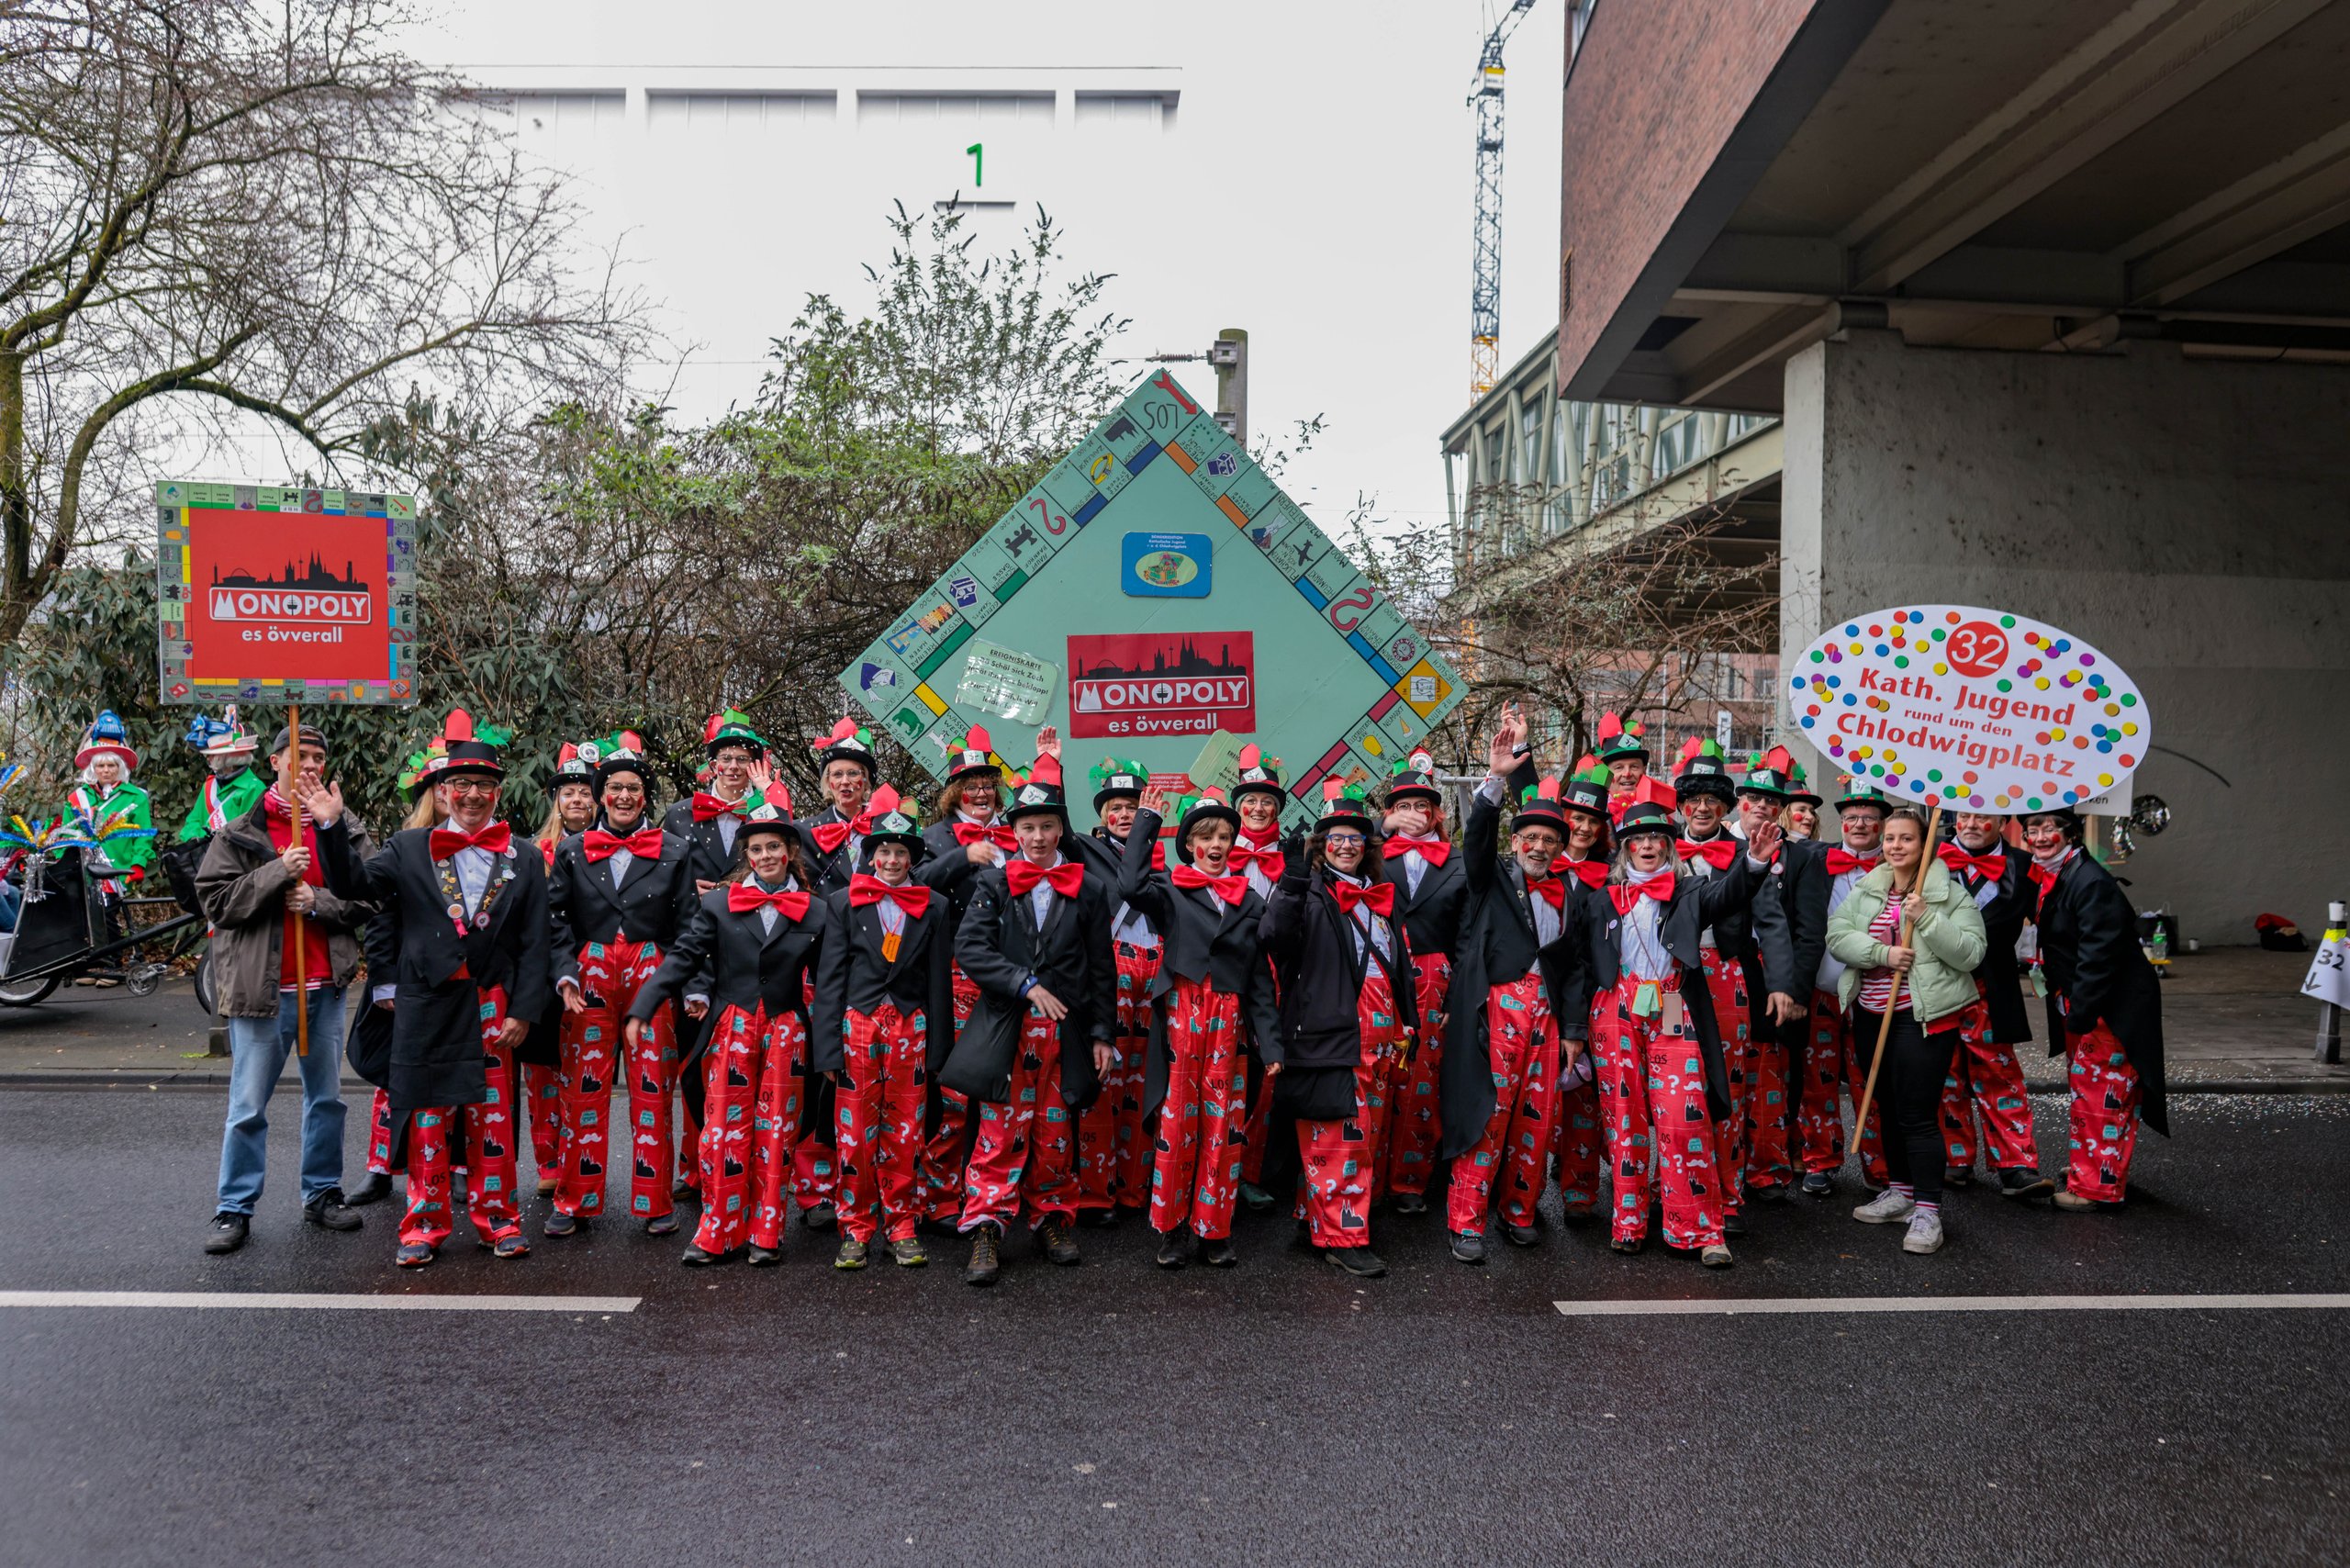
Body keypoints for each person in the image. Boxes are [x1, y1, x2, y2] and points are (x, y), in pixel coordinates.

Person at [318, 711, 552, 1268]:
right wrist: (330, 828)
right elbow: (356, 891)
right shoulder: (405, 847)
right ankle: (423, 1223)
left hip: (493, 1001)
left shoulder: (526, 855)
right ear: (443, 791)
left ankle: (499, 1220)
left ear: (499, 793)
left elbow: (536, 942)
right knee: (428, 1119)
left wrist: (524, 1010)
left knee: (492, 1118)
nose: (473, 796)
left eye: (485, 787)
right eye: (462, 786)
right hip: (426, 1003)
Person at [1575, 792, 1779, 1266]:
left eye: (1656, 838)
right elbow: (1580, 961)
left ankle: (1699, 1229)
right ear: (1624, 849)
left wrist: (1754, 862)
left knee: (1683, 1114)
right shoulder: (1601, 900)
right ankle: (1628, 1223)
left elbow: (1727, 895)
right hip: (1615, 1006)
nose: (1647, 845)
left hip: (1671, 1002)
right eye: (1637, 839)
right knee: (1624, 1114)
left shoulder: (1689, 892)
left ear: (1669, 847)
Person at [196, 723, 377, 1255]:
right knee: (248, 1105)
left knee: (327, 1100)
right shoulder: (241, 832)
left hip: (325, 988)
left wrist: (319, 901)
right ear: (275, 762)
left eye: (319, 757)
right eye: (300, 755)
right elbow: (216, 902)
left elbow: (372, 896)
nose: (311, 765)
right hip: (263, 993)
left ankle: (322, 1193)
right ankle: (234, 1208)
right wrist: (277, 871)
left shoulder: (342, 825)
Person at [630, 783, 830, 1265]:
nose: (764, 856)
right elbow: (682, 958)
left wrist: (831, 1042)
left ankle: (766, 1231)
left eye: (773, 847)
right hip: (732, 1025)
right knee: (723, 1129)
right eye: (755, 848)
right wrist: (643, 1004)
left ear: (790, 851)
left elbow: (830, 981)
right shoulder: (719, 905)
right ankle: (716, 1231)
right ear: (747, 853)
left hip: (788, 1028)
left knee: (777, 1131)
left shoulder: (818, 911)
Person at [940, 751, 1115, 1285]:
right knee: (999, 1129)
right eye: (1028, 827)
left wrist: (1103, 1033)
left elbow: (1101, 967)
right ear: (1012, 831)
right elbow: (970, 948)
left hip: (1065, 1031)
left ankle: (1053, 1218)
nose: (1038, 837)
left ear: (1061, 829)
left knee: (1055, 1129)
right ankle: (987, 1227)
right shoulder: (993, 884)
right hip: (1006, 1030)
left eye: (1047, 826)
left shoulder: (1088, 888)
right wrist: (1025, 982)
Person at [1438, 707, 1592, 1264]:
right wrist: (1498, 778)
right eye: (1530, 837)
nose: (1539, 847)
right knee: (1490, 1114)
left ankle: (1520, 1213)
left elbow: (1573, 964)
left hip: (1548, 1020)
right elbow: (1477, 839)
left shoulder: (1570, 891)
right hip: (1497, 1009)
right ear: (1517, 839)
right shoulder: (1489, 878)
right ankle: (1465, 1221)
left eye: (1550, 840)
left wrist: (1574, 1029)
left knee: (1538, 1115)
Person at [543, 734, 701, 1239]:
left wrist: (692, 987)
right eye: (615, 788)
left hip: (651, 973)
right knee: (581, 1092)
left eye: (634, 787)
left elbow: (690, 926)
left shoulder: (676, 851)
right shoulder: (571, 850)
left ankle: (655, 1202)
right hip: (588, 976)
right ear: (600, 793)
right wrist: (564, 971)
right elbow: (555, 918)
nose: (625, 797)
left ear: (646, 795)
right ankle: (574, 1200)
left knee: (653, 1089)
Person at [1260, 781, 1419, 1278]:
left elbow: (1395, 965)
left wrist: (1408, 1020)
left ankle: (1318, 1221)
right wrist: (1289, 879)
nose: (1346, 845)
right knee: (1339, 1143)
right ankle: (1344, 1237)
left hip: (1380, 1042)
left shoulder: (1378, 897)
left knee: (1360, 1142)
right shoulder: (1306, 891)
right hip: (1331, 1040)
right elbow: (1273, 936)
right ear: (1321, 846)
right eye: (1336, 838)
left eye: (1355, 838)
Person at [1119, 783, 1281, 1269]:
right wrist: (1146, 820)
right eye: (1206, 836)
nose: (1216, 845)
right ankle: (1171, 1230)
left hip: (1228, 1017)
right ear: (1190, 844)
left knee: (1222, 1126)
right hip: (1182, 1013)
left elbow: (1258, 982)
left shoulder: (1250, 901)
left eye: (1224, 837)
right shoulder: (1169, 889)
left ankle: (1213, 1230)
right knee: (1177, 1121)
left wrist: (1270, 1044)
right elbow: (1129, 885)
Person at [1828, 805, 1987, 1255]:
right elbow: (1837, 935)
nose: (1896, 846)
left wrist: (1929, 919)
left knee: (1917, 1114)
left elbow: (1972, 954)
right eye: (1891, 838)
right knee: (1888, 1107)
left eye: (1907, 839)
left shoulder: (1948, 894)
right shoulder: (1867, 889)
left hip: (1923, 1020)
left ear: (1926, 844)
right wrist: (1882, 954)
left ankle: (1928, 1211)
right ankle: (1899, 1192)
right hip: (1870, 1015)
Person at [810, 785, 954, 1269]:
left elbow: (939, 982)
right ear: (870, 856)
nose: (892, 860)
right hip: (857, 1027)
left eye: (901, 852)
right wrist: (826, 1051)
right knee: (854, 1136)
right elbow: (829, 980)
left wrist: (939, 1053)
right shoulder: (842, 902)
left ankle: (903, 1223)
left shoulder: (934, 904)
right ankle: (855, 1227)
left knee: (906, 1133)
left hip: (912, 1028)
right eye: (884, 851)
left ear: (913, 857)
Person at [1669, 736, 1794, 1238]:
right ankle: (1676, 1190)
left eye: (1712, 802)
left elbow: (1774, 922)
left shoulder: (1750, 854)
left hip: (1727, 977)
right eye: (1694, 801)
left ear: (1726, 809)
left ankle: (1727, 1193)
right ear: (1682, 808)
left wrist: (1782, 984)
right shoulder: (1655, 846)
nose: (1702, 809)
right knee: (1676, 1087)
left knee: (1731, 1090)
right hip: (1673, 980)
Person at [2020, 806, 2167, 1211]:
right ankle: (2097, 1172)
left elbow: (2098, 957)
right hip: (2085, 1003)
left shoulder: (2091, 881)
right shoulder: (2058, 872)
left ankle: (2095, 1189)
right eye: (2034, 828)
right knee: (2092, 1094)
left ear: (2071, 834)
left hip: (2108, 1008)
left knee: (2103, 1095)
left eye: (2052, 827)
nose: (2042, 835)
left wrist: (2082, 1012)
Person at [913, 724, 1013, 1230]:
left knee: (1006, 1089)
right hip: (956, 974)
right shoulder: (932, 838)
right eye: (970, 784)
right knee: (954, 1089)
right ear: (954, 790)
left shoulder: (1019, 832)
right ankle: (939, 1195)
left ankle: (996, 1197)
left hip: (1012, 975)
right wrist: (962, 857)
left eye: (987, 784)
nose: (980, 792)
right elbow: (913, 888)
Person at [348, 737, 450, 1209]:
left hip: (459, 981)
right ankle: (380, 1167)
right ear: (431, 791)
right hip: (406, 981)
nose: (453, 793)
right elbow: (381, 917)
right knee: (395, 1079)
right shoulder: (403, 846)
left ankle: (458, 1165)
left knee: (460, 1078)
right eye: (443, 785)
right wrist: (384, 980)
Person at [1061, 750, 1158, 1226]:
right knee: (1106, 1076)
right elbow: (1053, 822)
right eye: (1116, 807)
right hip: (1111, 966)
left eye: (1134, 806)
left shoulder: (1163, 855)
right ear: (1101, 815)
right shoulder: (1083, 847)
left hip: (1155, 970)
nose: (1125, 815)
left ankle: (1135, 1188)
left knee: (1143, 1079)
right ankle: (1097, 1192)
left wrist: (1149, 826)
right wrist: (1049, 767)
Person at [1936, 813, 2054, 1199]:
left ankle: (2017, 1164)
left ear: (2002, 821)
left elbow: (2050, 916)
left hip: (1992, 985)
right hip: (1939, 983)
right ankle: (1955, 1160)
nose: (1971, 824)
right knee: (1943, 1074)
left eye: (1982, 816)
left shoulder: (2024, 864)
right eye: (1964, 816)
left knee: (1999, 1075)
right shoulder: (1929, 857)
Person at [1734, 748, 1829, 1204]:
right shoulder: (1715, 847)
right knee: (1725, 1074)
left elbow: (1811, 933)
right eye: (1753, 797)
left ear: (1783, 809)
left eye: (1772, 801)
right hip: (1726, 978)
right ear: (1740, 802)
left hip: (1780, 979)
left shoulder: (1804, 858)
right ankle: (1723, 1164)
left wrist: (1794, 989)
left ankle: (1769, 1166)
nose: (1762, 807)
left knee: (1776, 1076)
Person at [1376, 750, 1466, 1215]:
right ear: (1390, 812)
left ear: (1435, 813)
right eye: (1403, 806)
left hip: (1434, 976)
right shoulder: (1367, 853)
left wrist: (1457, 992)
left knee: (1421, 1080)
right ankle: (1367, 1175)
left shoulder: (1458, 861)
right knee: (1377, 1070)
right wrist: (1380, 832)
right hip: (1377, 972)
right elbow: (1322, 858)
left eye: (1421, 806)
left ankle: (1409, 1181)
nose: (1413, 815)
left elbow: (1468, 934)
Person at [1796, 778, 1894, 1197]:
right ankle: (1820, 1160)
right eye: (1851, 817)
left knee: (1870, 1080)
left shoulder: (1903, 866)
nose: (1858, 824)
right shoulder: (1815, 860)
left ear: (1882, 825)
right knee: (1816, 1081)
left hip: (1877, 993)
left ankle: (1881, 1167)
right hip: (1823, 989)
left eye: (1868, 818)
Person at [522, 742, 599, 1195]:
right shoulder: (535, 852)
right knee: (542, 1072)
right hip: (545, 974)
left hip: (594, 972)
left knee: (581, 1076)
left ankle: (580, 1159)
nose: (576, 800)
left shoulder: (610, 848)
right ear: (557, 801)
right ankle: (548, 1161)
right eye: (568, 792)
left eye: (584, 791)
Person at [1544, 759, 1616, 1218]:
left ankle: (1579, 1191)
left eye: (1593, 820)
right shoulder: (1530, 866)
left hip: (1586, 996)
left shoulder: (1612, 877)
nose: (1584, 827)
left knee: (1581, 1094)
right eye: (1577, 818)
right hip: (1532, 996)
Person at [1226, 745, 1288, 1211]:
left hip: (1279, 977)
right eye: (1250, 800)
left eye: (1268, 801)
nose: (1259, 808)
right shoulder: (1216, 851)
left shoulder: (1294, 857)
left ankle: (1256, 1170)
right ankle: (1223, 1167)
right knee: (1230, 1071)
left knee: (1271, 1072)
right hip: (1229, 976)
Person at [68, 711, 153, 950]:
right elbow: (66, 834)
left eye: (111, 765)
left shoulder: (136, 797)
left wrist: (138, 864)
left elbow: (143, 835)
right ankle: (90, 965)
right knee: (83, 919)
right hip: (82, 871)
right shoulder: (76, 798)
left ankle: (112, 965)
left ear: (120, 767)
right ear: (92, 769)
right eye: (101, 765)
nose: (106, 770)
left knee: (107, 917)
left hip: (115, 869)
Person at [797, 719, 879, 894]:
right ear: (828, 782)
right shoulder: (804, 832)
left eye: (853, 773)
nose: (845, 781)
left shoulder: (882, 828)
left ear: (866, 781)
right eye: (837, 774)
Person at [174, 714, 265, 844]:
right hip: (205, 858)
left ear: (229, 756)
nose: (208, 759)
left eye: (212, 754)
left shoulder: (254, 788)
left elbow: (250, 835)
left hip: (232, 861)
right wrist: (199, 837)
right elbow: (192, 822)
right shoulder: (210, 785)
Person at [1782, 763, 1823, 841]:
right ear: (1784, 813)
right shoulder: (1770, 847)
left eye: (1812, 812)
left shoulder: (1822, 850)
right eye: (1801, 810)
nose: (1810, 817)